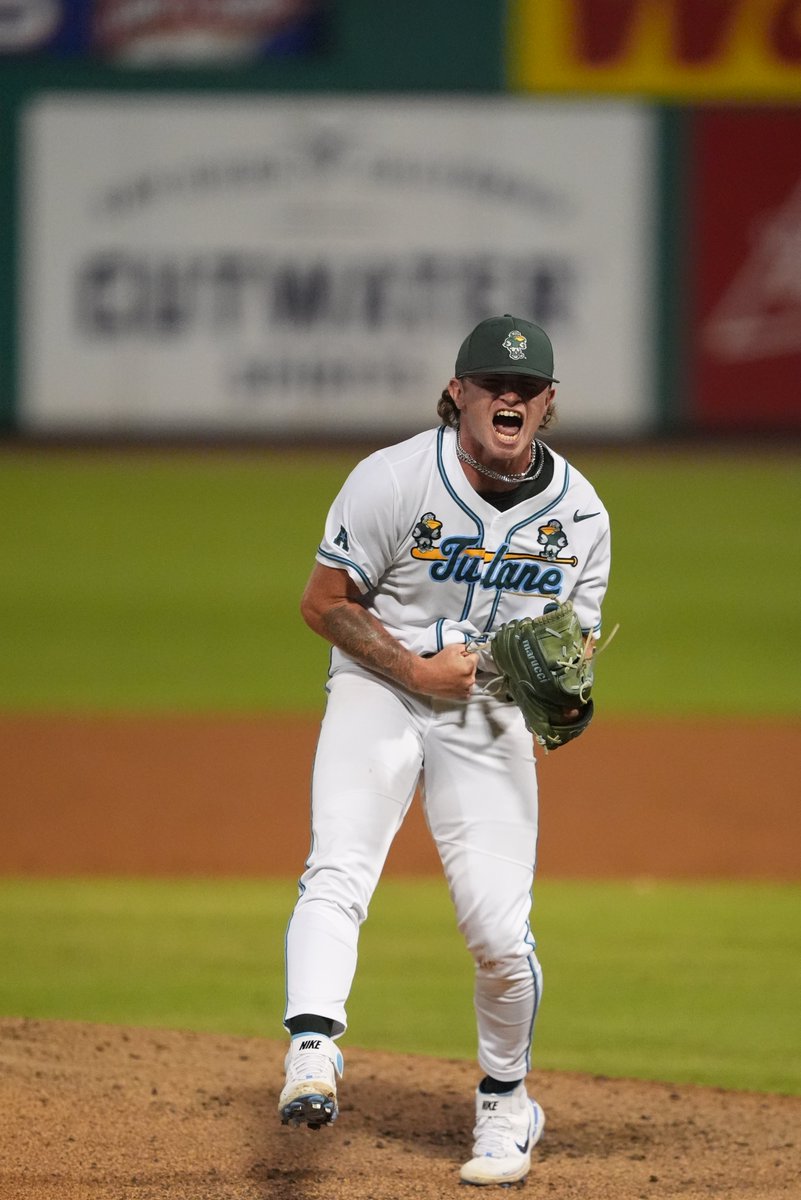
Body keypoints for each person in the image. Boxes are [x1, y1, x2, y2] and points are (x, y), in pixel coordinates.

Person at [278, 314, 611, 1186]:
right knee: (338, 867)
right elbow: (324, 603)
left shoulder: (579, 513)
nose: (510, 396)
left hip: (486, 713)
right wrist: (411, 669)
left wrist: (565, 689)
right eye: (492, 383)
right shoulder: (390, 479)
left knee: (499, 930)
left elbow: (570, 643)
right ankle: (312, 1048)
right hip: (379, 688)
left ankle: (507, 1103)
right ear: (457, 391)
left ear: (547, 404)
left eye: (527, 386)